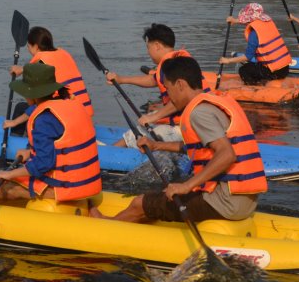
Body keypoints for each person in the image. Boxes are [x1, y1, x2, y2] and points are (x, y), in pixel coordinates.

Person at [91, 56, 267, 224]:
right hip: (245, 202)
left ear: (181, 84)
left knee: (139, 203)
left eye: (168, 89)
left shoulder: (199, 113)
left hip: (222, 202)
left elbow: (227, 154)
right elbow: (196, 148)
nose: (168, 96)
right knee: (161, 197)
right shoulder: (215, 100)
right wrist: (156, 145)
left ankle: (105, 225)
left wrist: (186, 186)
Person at [0, 62, 102, 205]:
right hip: (89, 183)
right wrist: (29, 152)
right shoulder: (69, 103)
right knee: (0, 180)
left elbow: (44, 163)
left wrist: (9, 174)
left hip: (66, 188)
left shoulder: (43, 119)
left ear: (31, 94)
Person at [106, 23, 213, 146]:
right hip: (192, 118)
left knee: (143, 127)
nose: (148, 52)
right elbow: (154, 80)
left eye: (148, 47)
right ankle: (119, 145)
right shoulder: (176, 61)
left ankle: (112, 150)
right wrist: (121, 80)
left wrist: (154, 117)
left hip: (188, 125)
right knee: (146, 119)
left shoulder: (170, 64)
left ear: (157, 46)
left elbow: (181, 100)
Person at [6, 27, 93, 134]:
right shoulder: (63, 54)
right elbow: (52, 68)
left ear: (36, 47)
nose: (28, 50)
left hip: (64, 117)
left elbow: (38, 105)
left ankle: (16, 141)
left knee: (22, 109)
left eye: (28, 46)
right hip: (83, 114)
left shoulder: (41, 63)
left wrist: (14, 122)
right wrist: (24, 70)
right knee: (22, 107)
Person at [218, 2, 291, 87]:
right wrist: (235, 20)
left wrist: (228, 60)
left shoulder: (253, 34)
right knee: (257, 65)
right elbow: (252, 21)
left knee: (243, 70)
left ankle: (254, 88)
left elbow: (248, 57)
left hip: (273, 71)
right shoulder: (267, 22)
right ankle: (263, 82)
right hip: (285, 69)